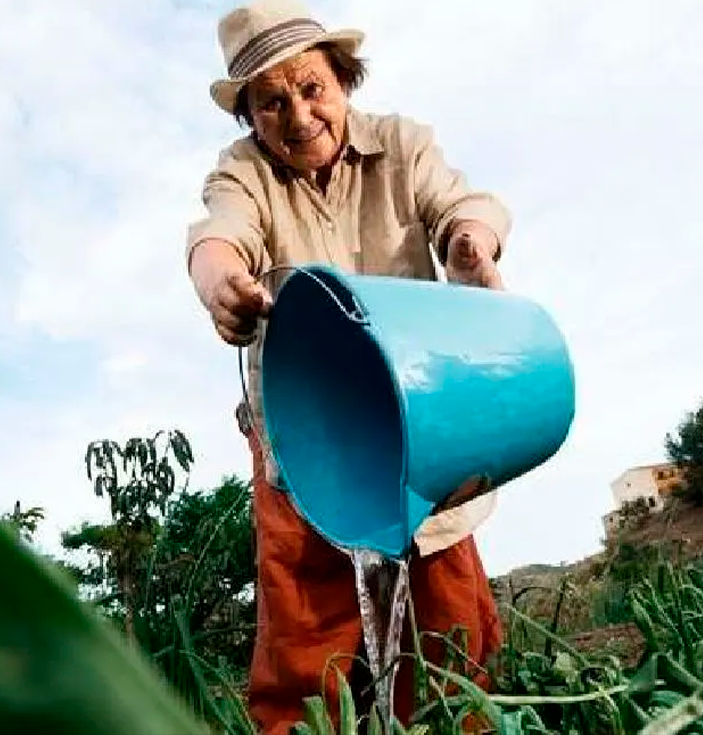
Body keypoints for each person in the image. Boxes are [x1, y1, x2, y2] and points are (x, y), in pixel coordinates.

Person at [184, 1, 511, 732]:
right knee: (303, 645)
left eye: (311, 88)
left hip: (418, 421)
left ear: (342, 77)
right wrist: (221, 286)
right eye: (269, 102)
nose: (297, 115)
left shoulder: (402, 144)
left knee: (451, 633)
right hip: (308, 440)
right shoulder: (243, 174)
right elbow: (218, 237)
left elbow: (466, 205)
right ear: (249, 116)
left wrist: (469, 243)